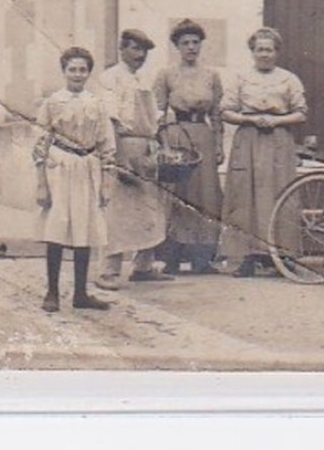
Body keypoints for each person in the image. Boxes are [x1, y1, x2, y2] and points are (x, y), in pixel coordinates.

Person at [32, 46, 116, 312]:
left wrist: (106, 181)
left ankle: (81, 293)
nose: (78, 75)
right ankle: (52, 292)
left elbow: (107, 144)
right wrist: (42, 183)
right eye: (72, 70)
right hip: (59, 168)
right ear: (64, 71)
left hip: (88, 168)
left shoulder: (97, 104)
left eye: (83, 70)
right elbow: (39, 145)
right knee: (57, 230)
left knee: (86, 229)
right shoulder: (53, 102)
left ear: (89, 73)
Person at [221, 27, 309, 278]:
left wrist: (277, 121)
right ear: (252, 51)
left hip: (278, 141)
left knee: (281, 193)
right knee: (245, 195)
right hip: (248, 140)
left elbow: (301, 112)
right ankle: (246, 257)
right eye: (259, 49)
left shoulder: (289, 79)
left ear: (277, 52)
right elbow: (225, 110)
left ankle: (281, 256)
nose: (264, 54)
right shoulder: (240, 78)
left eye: (269, 50)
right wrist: (248, 119)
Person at [94, 29, 171, 290]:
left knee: (150, 209)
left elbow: (154, 120)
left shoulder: (143, 79)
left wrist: (160, 147)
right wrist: (121, 159)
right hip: (123, 146)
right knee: (119, 212)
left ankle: (143, 266)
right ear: (122, 49)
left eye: (145, 51)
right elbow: (111, 120)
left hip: (146, 147)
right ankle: (109, 271)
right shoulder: (110, 79)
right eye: (135, 49)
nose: (140, 55)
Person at [154, 19, 225, 275]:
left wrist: (218, 145)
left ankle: (202, 259)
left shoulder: (211, 75)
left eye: (196, 42)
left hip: (203, 136)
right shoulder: (166, 74)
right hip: (177, 137)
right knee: (178, 195)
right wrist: (162, 146)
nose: (191, 47)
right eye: (186, 43)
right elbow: (157, 113)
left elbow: (217, 114)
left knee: (206, 196)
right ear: (177, 46)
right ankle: (172, 257)